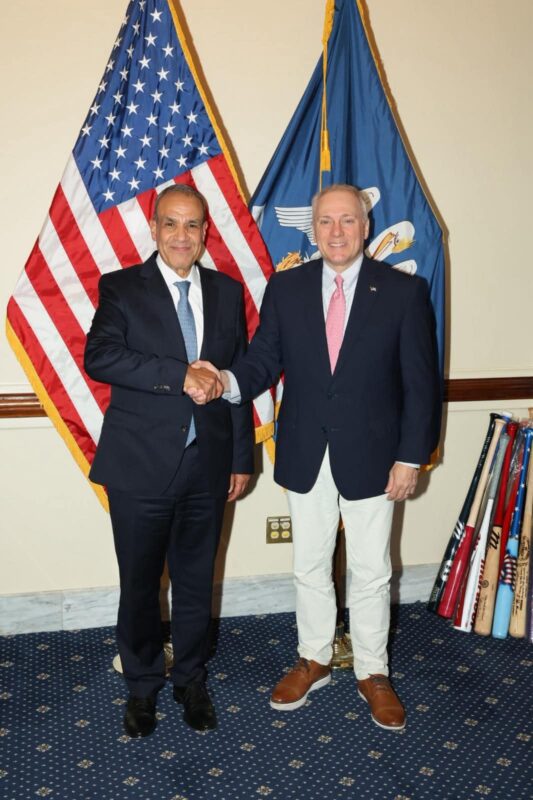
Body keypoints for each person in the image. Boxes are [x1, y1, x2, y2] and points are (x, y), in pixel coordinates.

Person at [188, 184, 441, 730]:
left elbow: (421, 384)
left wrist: (410, 457)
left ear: (365, 227)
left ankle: (373, 671)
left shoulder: (403, 292)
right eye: (325, 221)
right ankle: (314, 658)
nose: (336, 231)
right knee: (308, 564)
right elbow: (263, 360)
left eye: (347, 220)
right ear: (314, 230)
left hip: (376, 456)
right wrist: (225, 379)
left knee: (371, 569)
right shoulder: (288, 287)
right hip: (306, 451)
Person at [84, 184, 253, 738]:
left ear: (205, 232)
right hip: (139, 465)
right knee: (139, 585)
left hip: (209, 464)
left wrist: (241, 457)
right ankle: (141, 686)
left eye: (193, 225)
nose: (183, 235)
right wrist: (179, 375)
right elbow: (100, 357)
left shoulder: (227, 292)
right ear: (154, 229)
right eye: (172, 224)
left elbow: (236, 382)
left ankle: (190, 680)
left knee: (196, 581)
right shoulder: (121, 287)